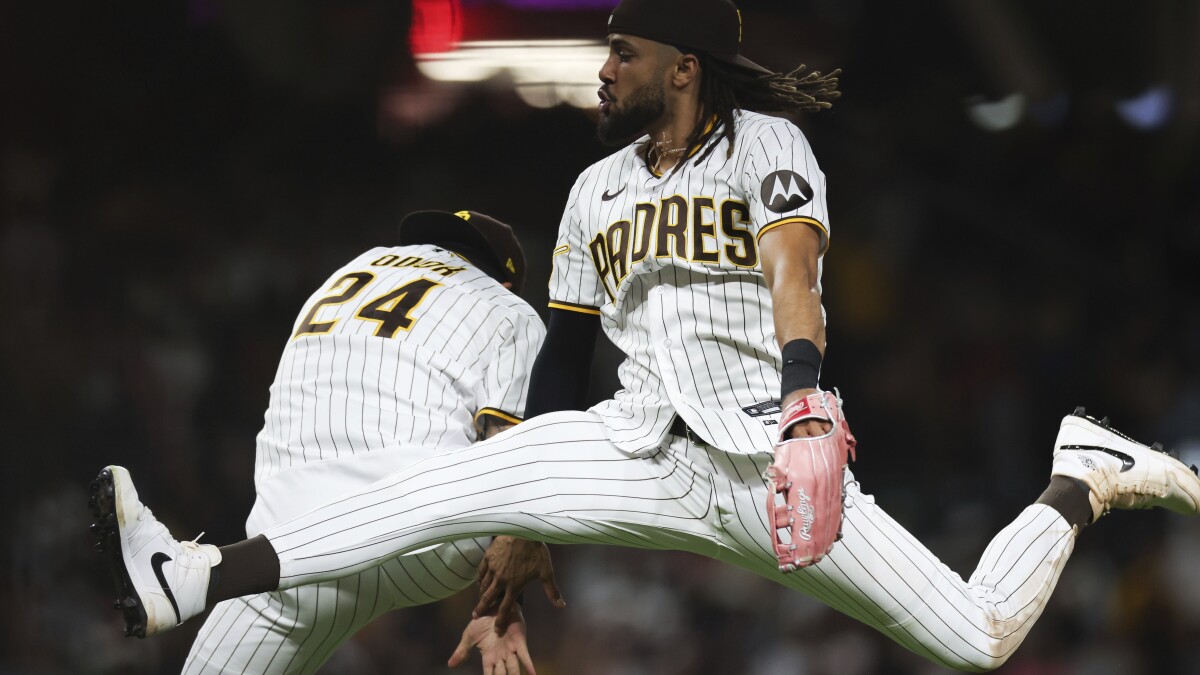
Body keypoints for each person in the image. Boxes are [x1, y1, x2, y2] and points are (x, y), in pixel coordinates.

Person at [92, 1, 1200, 671]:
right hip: (636, 450)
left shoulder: (766, 141)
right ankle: (197, 572)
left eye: (623, 49)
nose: (603, 66)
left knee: (975, 639)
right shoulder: (589, 192)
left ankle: (1081, 474)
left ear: (682, 65)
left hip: (772, 460)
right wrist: (518, 534)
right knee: (437, 494)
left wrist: (809, 399)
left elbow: (793, 272)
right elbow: (565, 362)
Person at [90, 210, 564, 674]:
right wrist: (503, 603)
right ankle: (192, 573)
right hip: (423, 540)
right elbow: (509, 451)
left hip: (285, 540)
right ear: (502, 280)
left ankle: (194, 571)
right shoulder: (508, 308)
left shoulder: (347, 275)